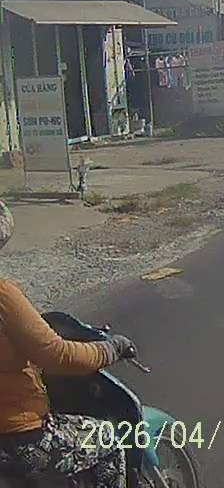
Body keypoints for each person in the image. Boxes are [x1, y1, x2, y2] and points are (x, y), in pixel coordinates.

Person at [0, 201, 134, 488]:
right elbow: (56, 355)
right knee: (108, 439)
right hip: (16, 438)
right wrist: (111, 349)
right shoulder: (3, 296)